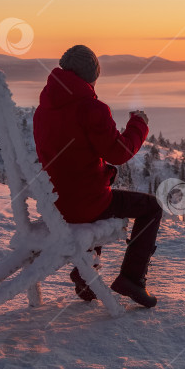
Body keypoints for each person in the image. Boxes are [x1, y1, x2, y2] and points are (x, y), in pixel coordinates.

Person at [33, 44, 162, 308]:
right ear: (91, 76)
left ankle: (85, 277)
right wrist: (139, 124)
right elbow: (119, 152)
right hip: (85, 204)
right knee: (151, 207)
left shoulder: (43, 109)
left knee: (95, 194)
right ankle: (132, 279)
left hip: (56, 203)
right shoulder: (91, 109)